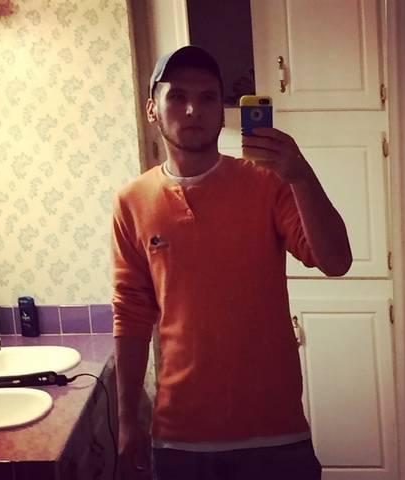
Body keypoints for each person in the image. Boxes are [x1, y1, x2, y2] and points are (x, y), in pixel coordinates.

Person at [112, 45, 352, 480]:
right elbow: (130, 313)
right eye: (177, 96)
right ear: (152, 109)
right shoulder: (132, 201)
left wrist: (301, 175)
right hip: (180, 435)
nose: (193, 109)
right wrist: (127, 418)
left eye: (207, 97)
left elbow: (335, 261)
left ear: (222, 113)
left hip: (275, 432)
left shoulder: (268, 183)